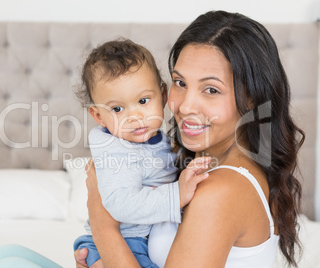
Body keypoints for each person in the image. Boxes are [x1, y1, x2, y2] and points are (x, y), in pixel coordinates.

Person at [75, 10, 304, 268]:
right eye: (180, 83)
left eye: (211, 90)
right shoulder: (186, 160)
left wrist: (102, 224)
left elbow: (112, 219)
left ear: (251, 98)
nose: (185, 106)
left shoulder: (220, 191)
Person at [73, 38, 211, 267]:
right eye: (117, 109)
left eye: (143, 101)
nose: (135, 117)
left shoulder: (155, 140)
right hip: (128, 242)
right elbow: (120, 204)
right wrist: (177, 194)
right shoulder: (116, 152)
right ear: (98, 116)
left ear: (163, 95)